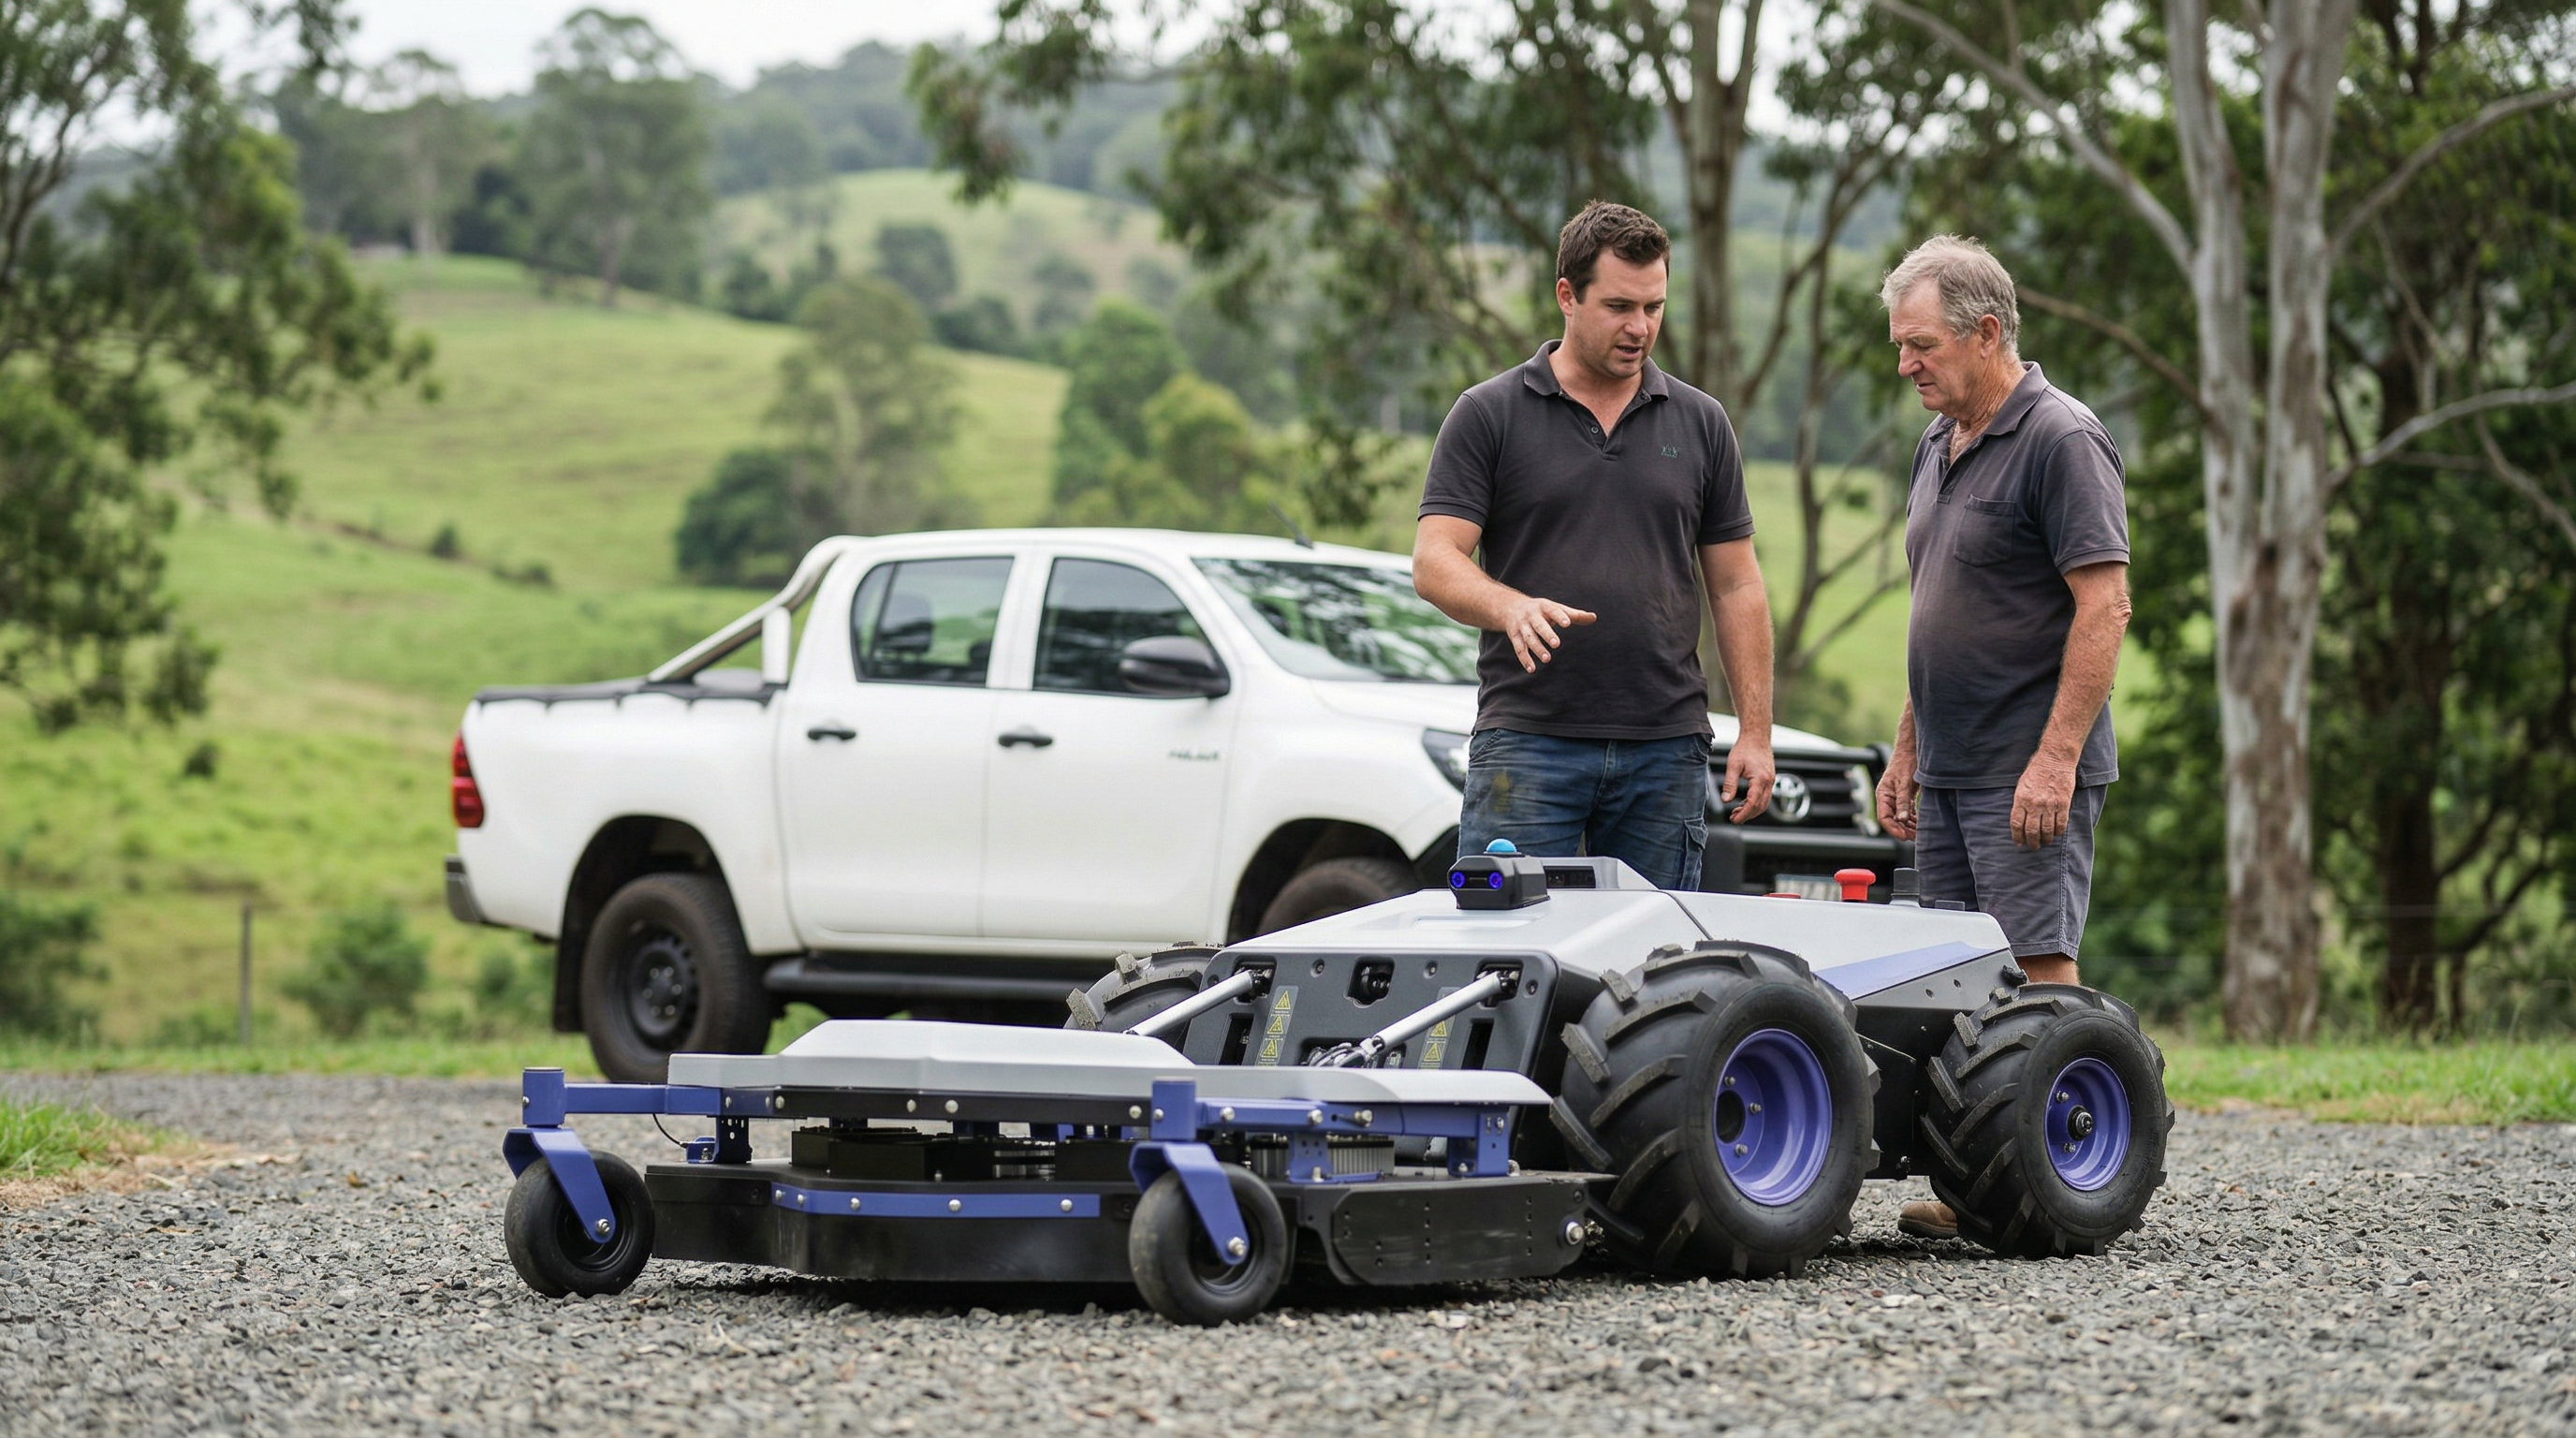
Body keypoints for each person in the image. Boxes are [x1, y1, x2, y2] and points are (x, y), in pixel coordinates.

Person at [1870, 236, 2132, 1241]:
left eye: (1921, 346)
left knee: (2036, 974)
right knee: (1948, 984)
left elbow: (2102, 608)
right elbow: (1936, 606)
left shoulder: (2062, 439)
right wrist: (1906, 745)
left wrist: (2057, 756)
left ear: (1988, 334)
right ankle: (1971, 1183)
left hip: (2027, 769)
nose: (1906, 367)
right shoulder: (1935, 444)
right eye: (1898, 347)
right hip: (1944, 765)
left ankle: (2060, 1179)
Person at [1414, 201, 1776, 890]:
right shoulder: (1489, 413)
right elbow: (1435, 561)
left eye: (1654, 307)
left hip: (1666, 748)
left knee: (1656, 970)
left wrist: (1756, 733)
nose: (1640, 328)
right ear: (1566, 296)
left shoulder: (1702, 422)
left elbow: (1737, 586)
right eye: (1618, 306)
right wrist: (1509, 607)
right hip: (1527, 743)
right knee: (1511, 960)